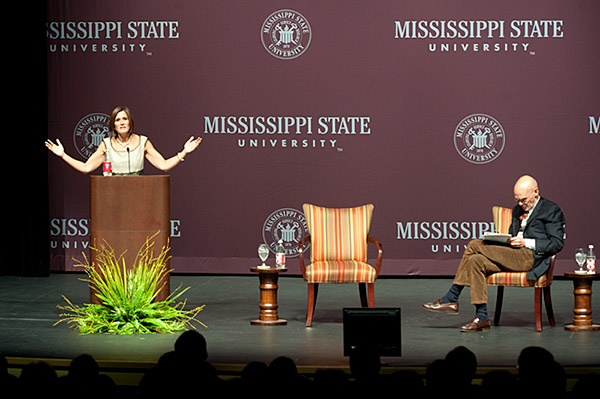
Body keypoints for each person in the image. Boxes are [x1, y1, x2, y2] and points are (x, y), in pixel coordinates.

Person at [422, 175, 565, 332]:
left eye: (523, 200)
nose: (520, 204)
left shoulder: (551, 210)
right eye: (517, 200)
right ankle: (481, 317)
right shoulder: (518, 209)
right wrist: (506, 240)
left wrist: (526, 242)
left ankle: (452, 297)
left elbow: (557, 243)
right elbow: (512, 233)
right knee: (475, 260)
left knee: (474, 244)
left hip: (531, 257)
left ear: (536, 192)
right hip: (512, 253)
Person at [45, 106, 202, 175]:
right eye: (118, 120)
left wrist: (184, 152)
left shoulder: (143, 142)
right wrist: (63, 155)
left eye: (124, 119)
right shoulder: (106, 144)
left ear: (130, 122)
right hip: (113, 194)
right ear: (113, 124)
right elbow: (87, 168)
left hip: (139, 193)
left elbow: (164, 165)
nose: (121, 122)